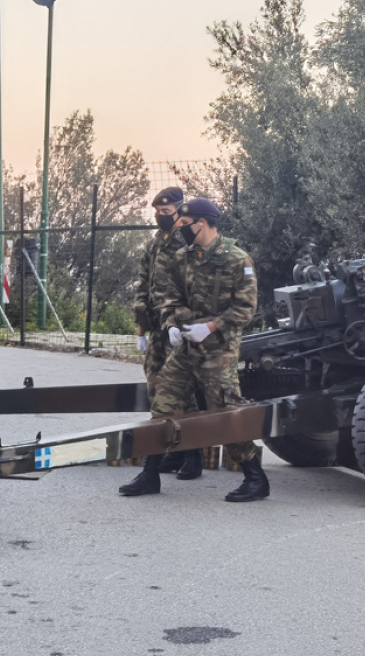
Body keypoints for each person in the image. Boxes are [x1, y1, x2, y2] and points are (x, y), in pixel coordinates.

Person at [119, 197, 267, 501]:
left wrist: (210, 327)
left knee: (225, 414)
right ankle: (149, 474)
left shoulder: (237, 259)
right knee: (163, 405)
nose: (180, 229)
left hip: (218, 351)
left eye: (185, 224)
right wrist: (172, 324)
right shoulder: (183, 257)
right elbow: (168, 297)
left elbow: (246, 308)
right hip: (185, 348)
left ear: (202, 223)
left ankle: (255, 477)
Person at [129, 187, 201, 484]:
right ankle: (175, 451)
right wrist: (141, 330)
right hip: (157, 329)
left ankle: (193, 454)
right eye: (158, 212)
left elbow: (191, 289)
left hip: (180, 327)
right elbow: (142, 285)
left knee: (181, 391)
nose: (161, 217)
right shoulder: (155, 243)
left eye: (166, 212)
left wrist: (183, 325)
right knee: (154, 385)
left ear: (180, 211)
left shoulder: (188, 243)